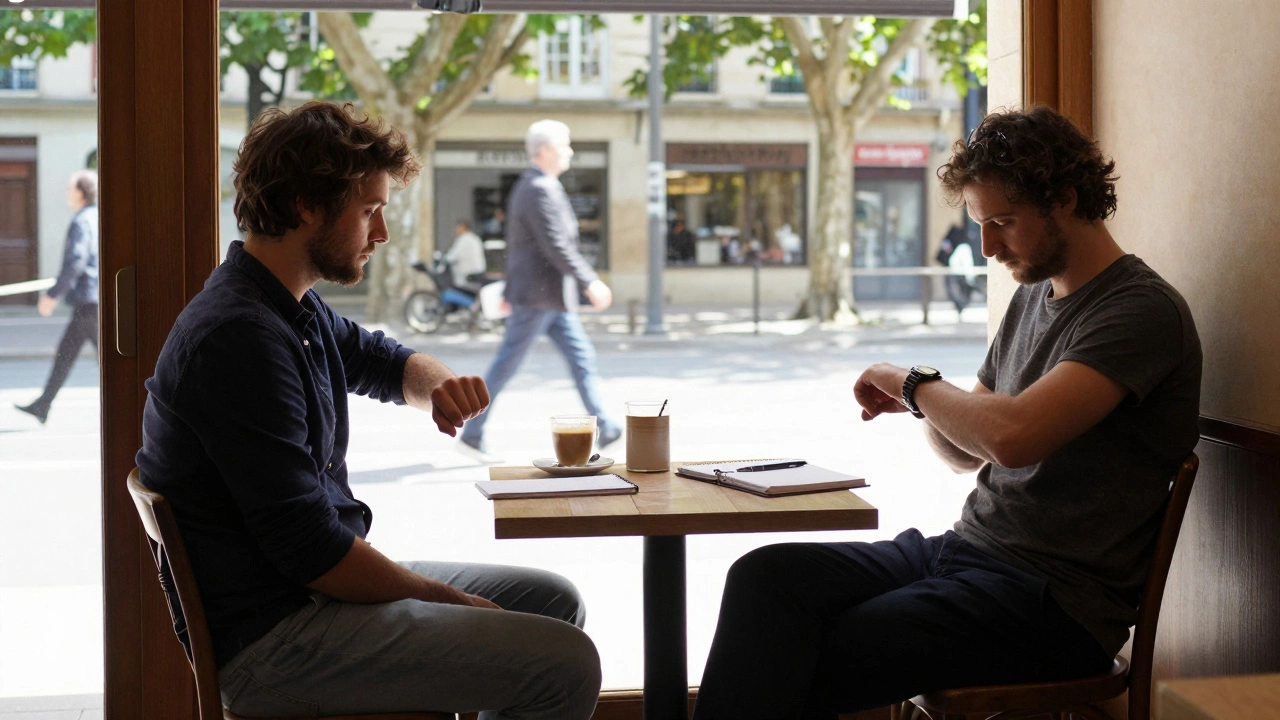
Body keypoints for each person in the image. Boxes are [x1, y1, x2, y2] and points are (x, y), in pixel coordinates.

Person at [693, 106, 1203, 720]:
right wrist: (923, 405)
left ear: (1066, 199)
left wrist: (911, 384)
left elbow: (1013, 439)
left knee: (823, 646)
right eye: (981, 225)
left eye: (1003, 223)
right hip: (967, 553)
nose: (987, 247)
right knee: (767, 577)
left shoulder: (1139, 312)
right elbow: (967, 451)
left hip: (1053, 604)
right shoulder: (1031, 300)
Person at [135, 102, 600, 720]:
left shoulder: (287, 306)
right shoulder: (239, 337)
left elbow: (382, 362)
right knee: (564, 662)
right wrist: (450, 603)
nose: (381, 234)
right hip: (278, 643)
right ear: (306, 204)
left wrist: (438, 384)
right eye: (369, 211)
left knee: (550, 601)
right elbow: (314, 553)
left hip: (308, 596)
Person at [459, 119, 621, 460]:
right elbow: (555, 245)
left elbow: (523, 245)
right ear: (546, 150)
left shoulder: (540, 185)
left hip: (548, 297)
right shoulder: (537, 189)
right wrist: (589, 280)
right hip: (539, 297)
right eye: (565, 145)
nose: (570, 151)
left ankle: (606, 427)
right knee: (507, 364)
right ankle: (472, 433)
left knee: (581, 358)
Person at [15, 170, 100, 425]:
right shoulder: (96, 217)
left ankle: (140, 405)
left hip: (88, 301)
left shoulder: (81, 220)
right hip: (92, 300)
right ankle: (43, 404)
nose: (66, 193)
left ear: (79, 192)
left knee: (105, 360)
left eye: (68, 188)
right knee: (69, 353)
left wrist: (52, 295)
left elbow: (76, 261)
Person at [445, 218, 486, 288]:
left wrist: (445, 258)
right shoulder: (475, 238)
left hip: (468, 274)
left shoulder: (463, 239)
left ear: (463, 227)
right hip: (478, 271)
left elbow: (453, 256)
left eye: (457, 227)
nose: (456, 230)